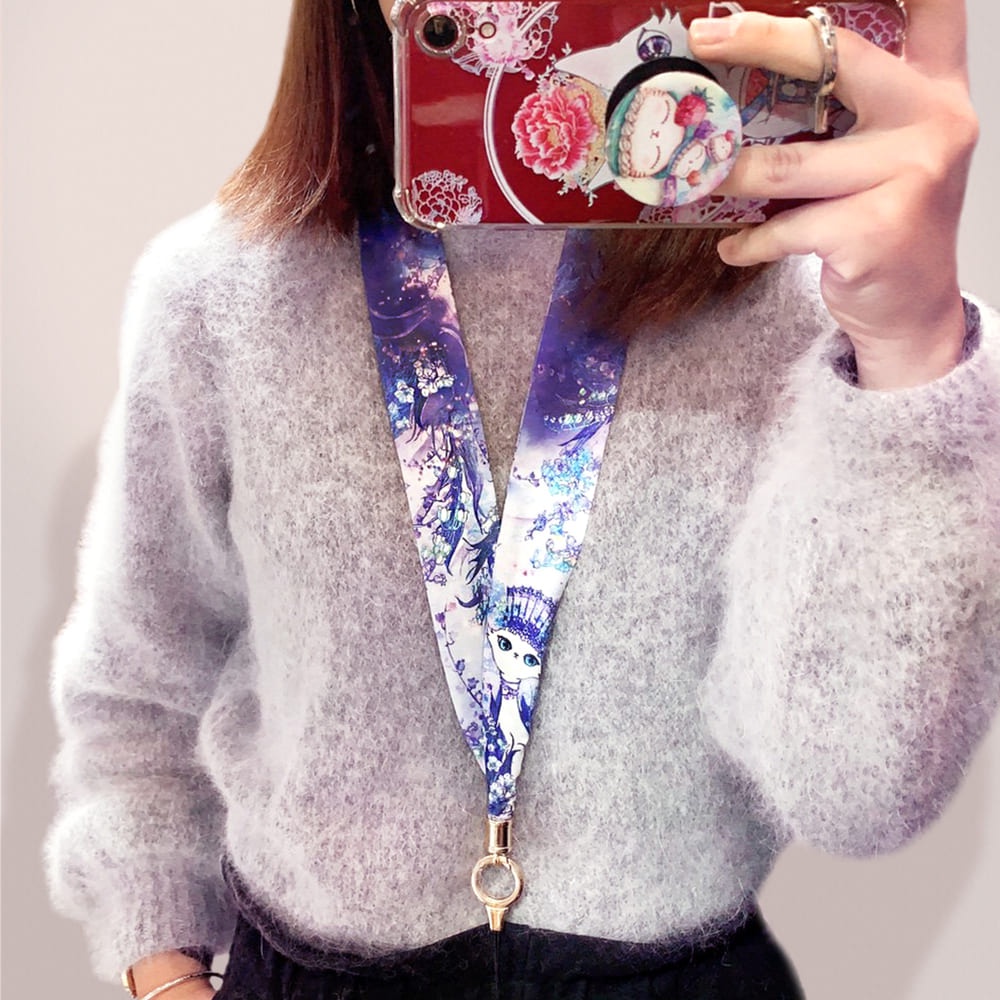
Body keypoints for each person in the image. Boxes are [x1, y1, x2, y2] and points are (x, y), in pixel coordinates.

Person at [45, 1, 999, 998]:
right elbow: (141, 680)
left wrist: (910, 352)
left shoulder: (823, 296)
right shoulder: (221, 292)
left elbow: (855, 799)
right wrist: (162, 965)